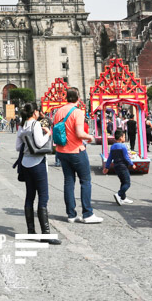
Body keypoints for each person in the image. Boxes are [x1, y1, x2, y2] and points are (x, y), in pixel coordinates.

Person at [14, 102, 60, 245]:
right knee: (43, 197)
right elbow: (40, 144)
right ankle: (45, 234)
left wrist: (27, 144)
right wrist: (48, 134)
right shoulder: (36, 125)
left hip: (26, 164)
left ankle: (31, 230)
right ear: (34, 112)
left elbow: (17, 147)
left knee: (30, 197)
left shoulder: (22, 126)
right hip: (37, 163)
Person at [54, 88, 102, 223]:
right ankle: (87, 214)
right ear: (78, 97)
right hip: (76, 151)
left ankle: (71, 214)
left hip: (62, 151)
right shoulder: (77, 112)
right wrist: (90, 137)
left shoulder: (58, 112)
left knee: (69, 182)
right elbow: (80, 133)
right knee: (85, 181)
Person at [102, 130, 134, 205]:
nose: (125, 138)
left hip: (116, 167)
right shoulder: (123, 146)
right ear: (120, 137)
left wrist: (107, 167)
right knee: (127, 183)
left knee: (123, 182)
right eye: (124, 137)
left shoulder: (113, 147)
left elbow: (110, 158)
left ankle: (123, 198)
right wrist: (132, 164)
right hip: (123, 166)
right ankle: (119, 194)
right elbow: (126, 157)